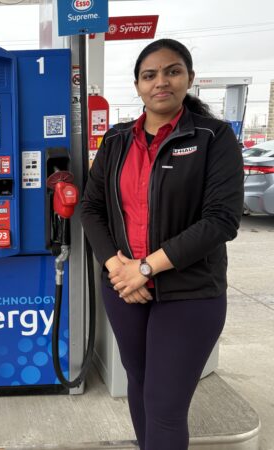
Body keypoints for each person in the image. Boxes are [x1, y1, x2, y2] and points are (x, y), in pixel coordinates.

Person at [80, 39, 244, 450]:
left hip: (189, 291)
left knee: (165, 404)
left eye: (172, 71)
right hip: (125, 290)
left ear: (189, 77)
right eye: (149, 75)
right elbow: (90, 208)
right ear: (137, 85)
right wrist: (116, 267)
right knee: (139, 383)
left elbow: (220, 220)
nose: (161, 82)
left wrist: (145, 268)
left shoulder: (213, 137)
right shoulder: (116, 141)